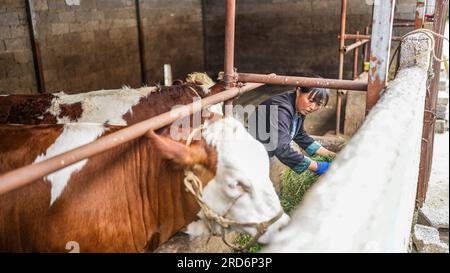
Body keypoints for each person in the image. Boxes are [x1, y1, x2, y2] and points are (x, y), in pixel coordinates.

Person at [248, 85, 336, 177]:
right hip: (251, 154)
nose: (312, 107)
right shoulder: (281, 109)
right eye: (311, 100)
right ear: (298, 91)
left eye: (318, 104)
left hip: (264, 152)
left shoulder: (298, 106)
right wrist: (318, 167)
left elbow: (299, 134)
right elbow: (282, 149)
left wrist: (331, 155)